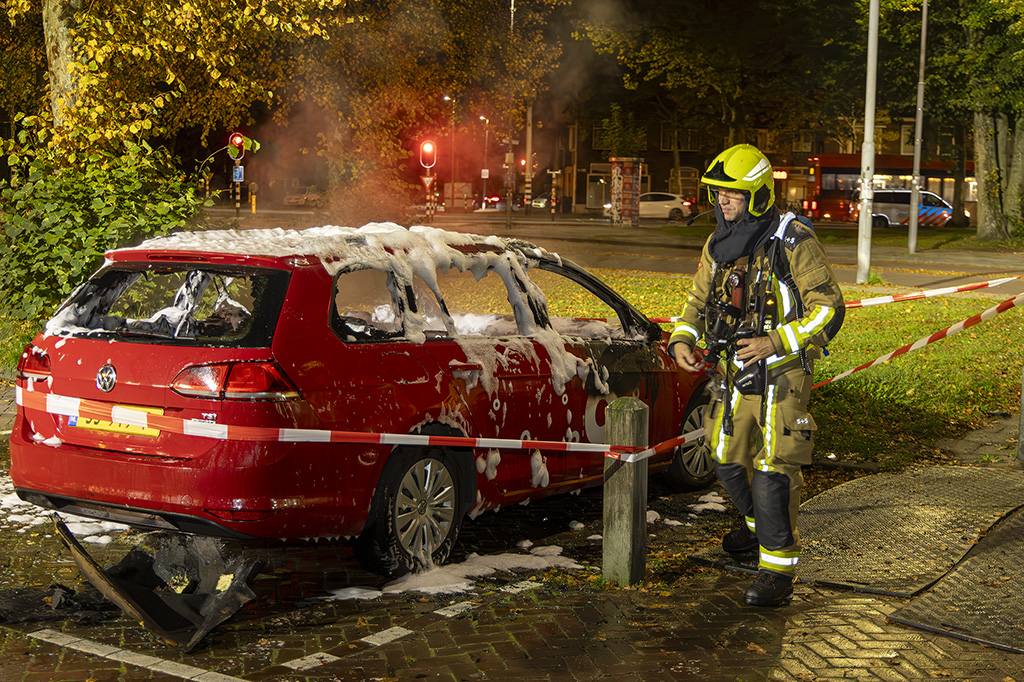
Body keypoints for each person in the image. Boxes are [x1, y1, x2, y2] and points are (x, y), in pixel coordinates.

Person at [669, 144, 845, 607]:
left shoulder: (794, 240)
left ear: (759, 196)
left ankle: (777, 571)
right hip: (734, 372)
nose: (721, 204)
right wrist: (682, 339)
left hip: (782, 372)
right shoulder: (718, 244)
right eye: (718, 196)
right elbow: (696, 300)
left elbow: (829, 310)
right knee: (724, 457)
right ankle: (756, 528)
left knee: (773, 469)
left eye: (731, 196)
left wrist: (776, 341)